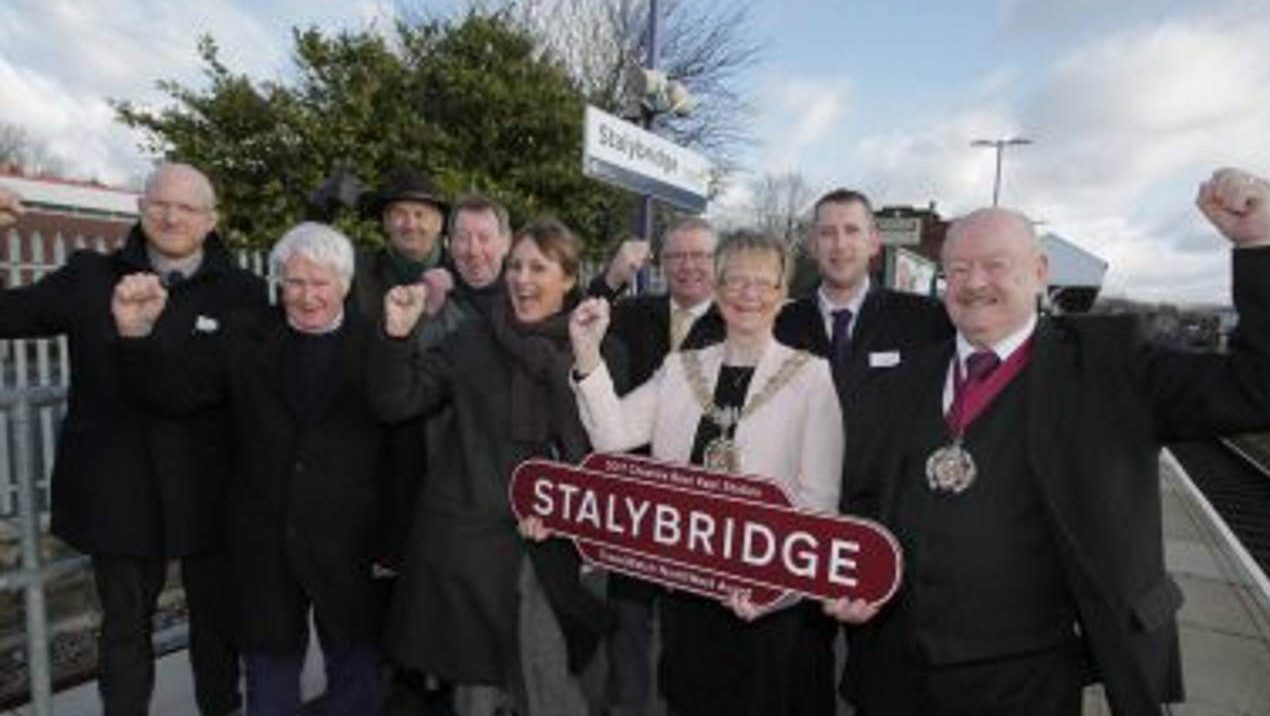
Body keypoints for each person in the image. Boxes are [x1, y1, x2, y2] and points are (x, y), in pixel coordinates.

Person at [830, 167, 1270, 716]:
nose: (973, 283)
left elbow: (1257, 388)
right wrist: (853, 570)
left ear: (1039, 272)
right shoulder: (902, 382)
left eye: (995, 265)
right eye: (959, 269)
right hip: (893, 674)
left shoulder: (1113, 369)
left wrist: (1258, 245)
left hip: (1026, 680)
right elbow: (864, 496)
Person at [0, 163, 259, 716]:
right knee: (123, 633)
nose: (171, 216)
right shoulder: (88, 277)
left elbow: (221, 387)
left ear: (211, 220)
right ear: (140, 209)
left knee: (217, 628)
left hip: (209, 486)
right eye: (159, 203)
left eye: (187, 208)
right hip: (118, 490)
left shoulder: (243, 293)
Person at [112, 222, 386, 716]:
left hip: (350, 544)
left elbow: (401, 448)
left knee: (357, 681)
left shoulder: (377, 345)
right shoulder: (244, 336)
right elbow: (175, 391)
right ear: (279, 282)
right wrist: (135, 333)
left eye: (320, 282)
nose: (306, 296)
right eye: (295, 282)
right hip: (264, 544)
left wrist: (392, 542)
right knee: (270, 685)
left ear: (344, 284)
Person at [569, 231, 845, 716]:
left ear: (783, 295)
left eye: (764, 283)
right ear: (717, 291)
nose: (749, 294)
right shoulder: (680, 369)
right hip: (687, 597)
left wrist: (775, 593)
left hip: (765, 605)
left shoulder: (811, 376)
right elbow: (611, 436)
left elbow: (818, 503)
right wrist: (588, 355)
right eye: (736, 281)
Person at [371, 218, 621, 716]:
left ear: (569, 279)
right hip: (472, 549)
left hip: (556, 548)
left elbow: (609, 450)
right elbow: (396, 402)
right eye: (515, 266)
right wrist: (396, 337)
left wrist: (567, 509)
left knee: (550, 683)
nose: (522, 279)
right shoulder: (470, 341)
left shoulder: (599, 349)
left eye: (538, 268)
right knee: (478, 694)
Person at [773, 188, 951, 712]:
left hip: (888, 528)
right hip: (803, 525)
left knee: (883, 685)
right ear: (811, 243)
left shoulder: (924, 321)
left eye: (852, 231)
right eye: (827, 232)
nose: (839, 243)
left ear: (874, 242)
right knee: (800, 676)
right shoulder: (781, 324)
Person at [378, 193, 515, 715]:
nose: (473, 249)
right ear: (447, 243)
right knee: (432, 653)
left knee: (492, 659)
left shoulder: (526, 303)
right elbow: (398, 390)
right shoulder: (427, 298)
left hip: (499, 510)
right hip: (431, 494)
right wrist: (424, 318)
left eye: (484, 237)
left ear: (504, 240)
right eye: (462, 238)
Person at [586, 216, 727, 716]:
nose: (688, 266)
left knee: (692, 632)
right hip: (633, 502)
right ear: (661, 264)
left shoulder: (737, 321)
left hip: (702, 511)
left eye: (700, 256)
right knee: (628, 623)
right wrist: (612, 278)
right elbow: (580, 320)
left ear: (719, 262)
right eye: (676, 257)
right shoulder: (633, 312)